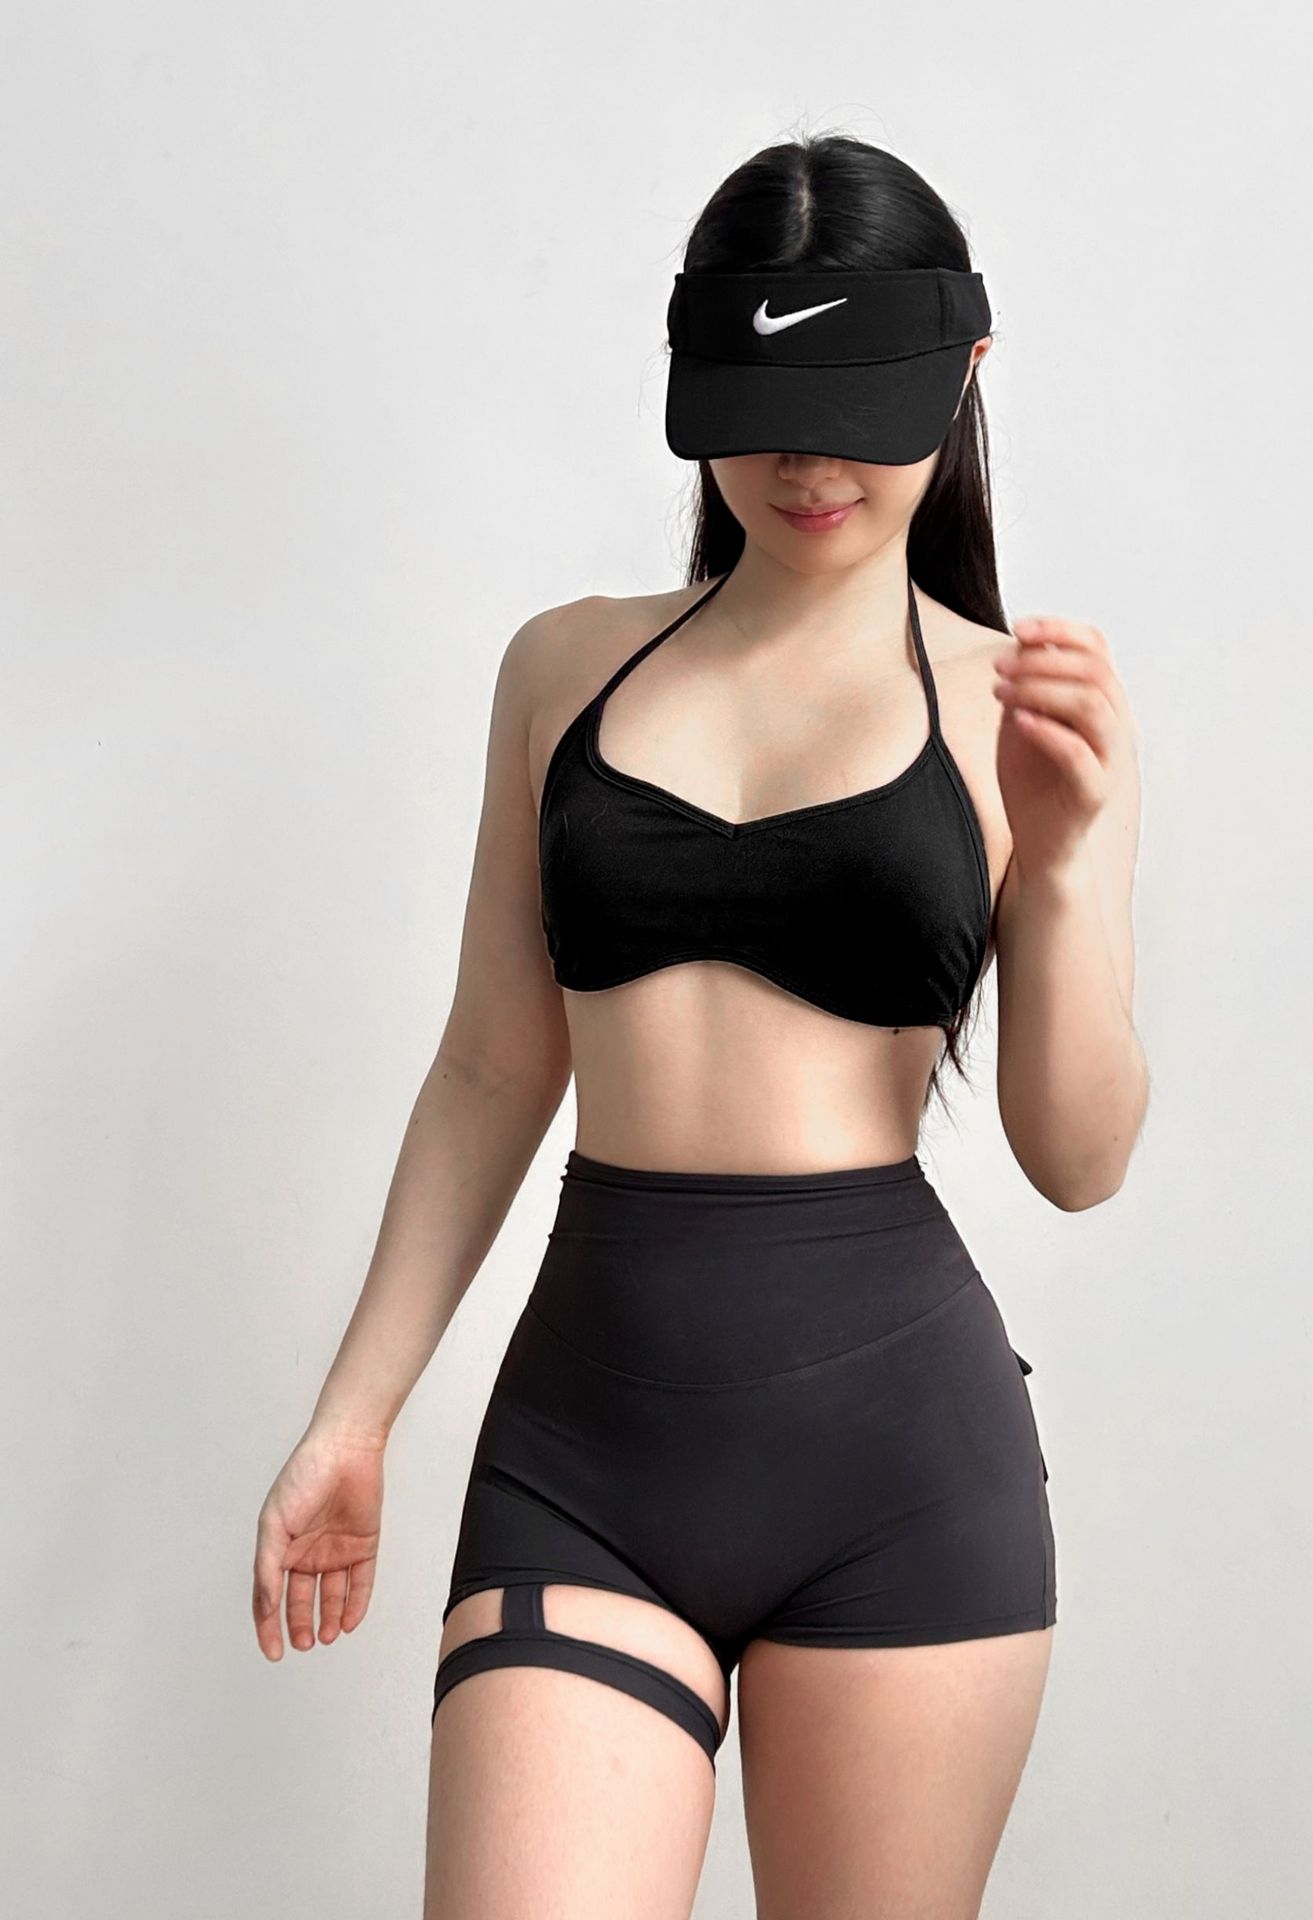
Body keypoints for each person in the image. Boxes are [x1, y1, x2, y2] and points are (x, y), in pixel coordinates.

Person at [252, 132, 1146, 1919]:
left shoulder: (1015, 699)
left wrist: (1056, 870)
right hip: (586, 1456)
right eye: (763, 416)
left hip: (902, 1471)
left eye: (850, 415)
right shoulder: (562, 667)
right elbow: (492, 1065)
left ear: (963, 373)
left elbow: (1078, 1159)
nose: (805, 467)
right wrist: (354, 1414)